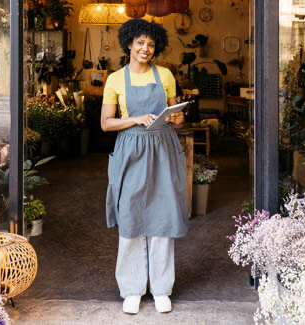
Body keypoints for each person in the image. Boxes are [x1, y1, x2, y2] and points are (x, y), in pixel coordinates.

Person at [100, 19, 188, 315]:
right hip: (132, 153)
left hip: (163, 149)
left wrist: (177, 118)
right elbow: (106, 123)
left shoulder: (165, 75)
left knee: (163, 219)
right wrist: (136, 119)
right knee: (131, 219)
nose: (145, 49)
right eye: (140, 43)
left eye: (150, 44)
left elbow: (176, 115)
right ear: (128, 44)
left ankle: (162, 289)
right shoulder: (114, 79)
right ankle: (132, 289)